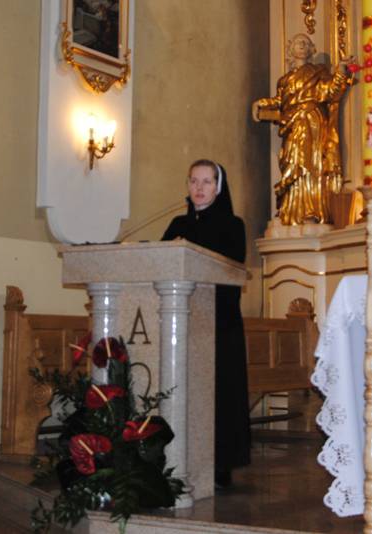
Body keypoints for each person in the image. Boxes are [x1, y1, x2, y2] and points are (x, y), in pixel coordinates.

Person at [162, 159, 250, 487]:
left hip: (219, 322)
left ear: (218, 187)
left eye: (206, 182)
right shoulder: (177, 224)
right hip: (178, 320)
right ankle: (175, 456)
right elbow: (161, 261)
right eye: (194, 181)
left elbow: (231, 267)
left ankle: (220, 462)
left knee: (219, 393)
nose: (199, 188)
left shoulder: (233, 225)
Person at [252, 33, 352, 225]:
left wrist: (340, 70)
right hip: (293, 124)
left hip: (312, 121)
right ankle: (291, 212)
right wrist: (260, 103)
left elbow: (331, 91)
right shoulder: (284, 80)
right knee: (293, 162)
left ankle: (311, 210)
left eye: (306, 43)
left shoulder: (318, 72)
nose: (302, 45)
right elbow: (279, 101)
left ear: (311, 49)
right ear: (290, 49)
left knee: (311, 164)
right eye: (298, 42)